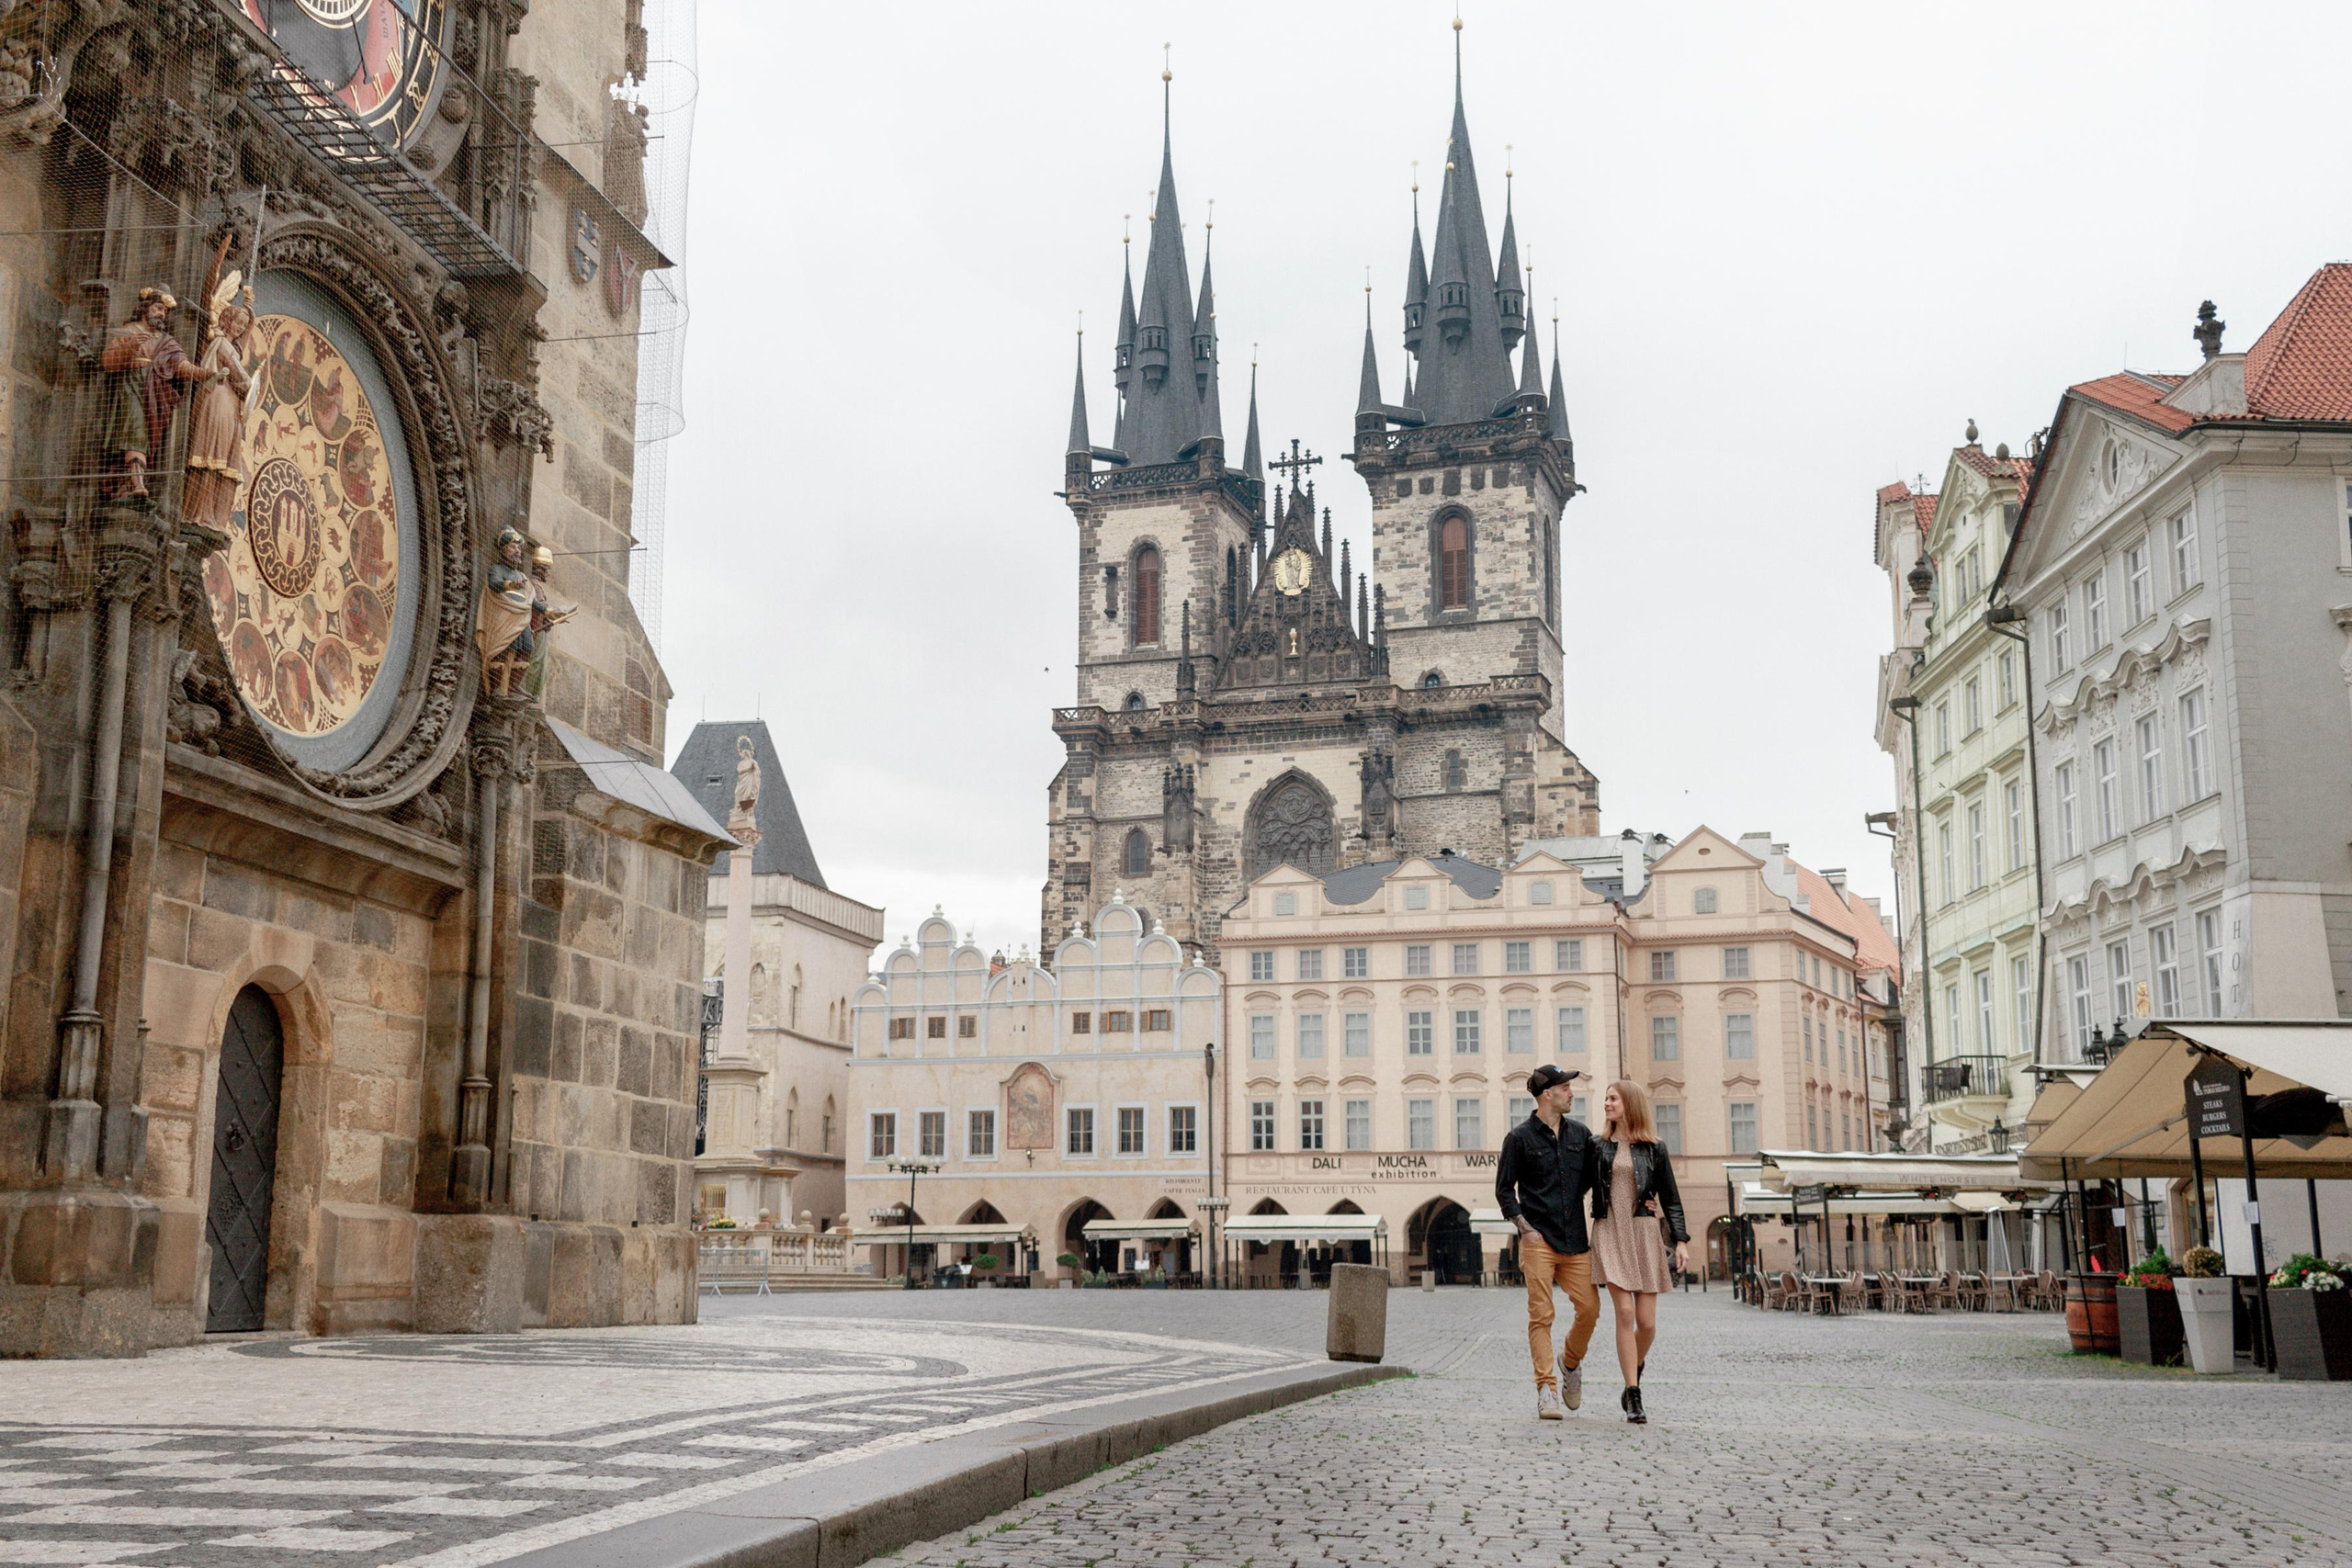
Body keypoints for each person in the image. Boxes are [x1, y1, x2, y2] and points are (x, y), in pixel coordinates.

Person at [1495, 1063, 1600, 1420]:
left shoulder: (1582, 1136)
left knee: (1590, 1308)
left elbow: (1592, 1181)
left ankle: (1570, 1362)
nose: (1572, 1093)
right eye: (1566, 1088)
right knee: (1541, 1315)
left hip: (1575, 1240)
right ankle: (1546, 1389)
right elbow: (1504, 1191)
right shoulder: (1519, 1139)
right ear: (1547, 1094)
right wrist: (1524, 1226)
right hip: (1538, 1239)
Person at [1590, 1079, 1690, 1425]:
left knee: (1647, 1323)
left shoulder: (1654, 1147)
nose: (1606, 1104)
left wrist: (1681, 1240)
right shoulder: (1596, 1145)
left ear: (1629, 1103)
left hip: (1644, 1232)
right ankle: (1634, 1395)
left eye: (1613, 1098)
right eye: (1605, 1098)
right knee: (1625, 1314)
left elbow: (1671, 1197)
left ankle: (1636, 1364)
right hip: (1609, 1231)